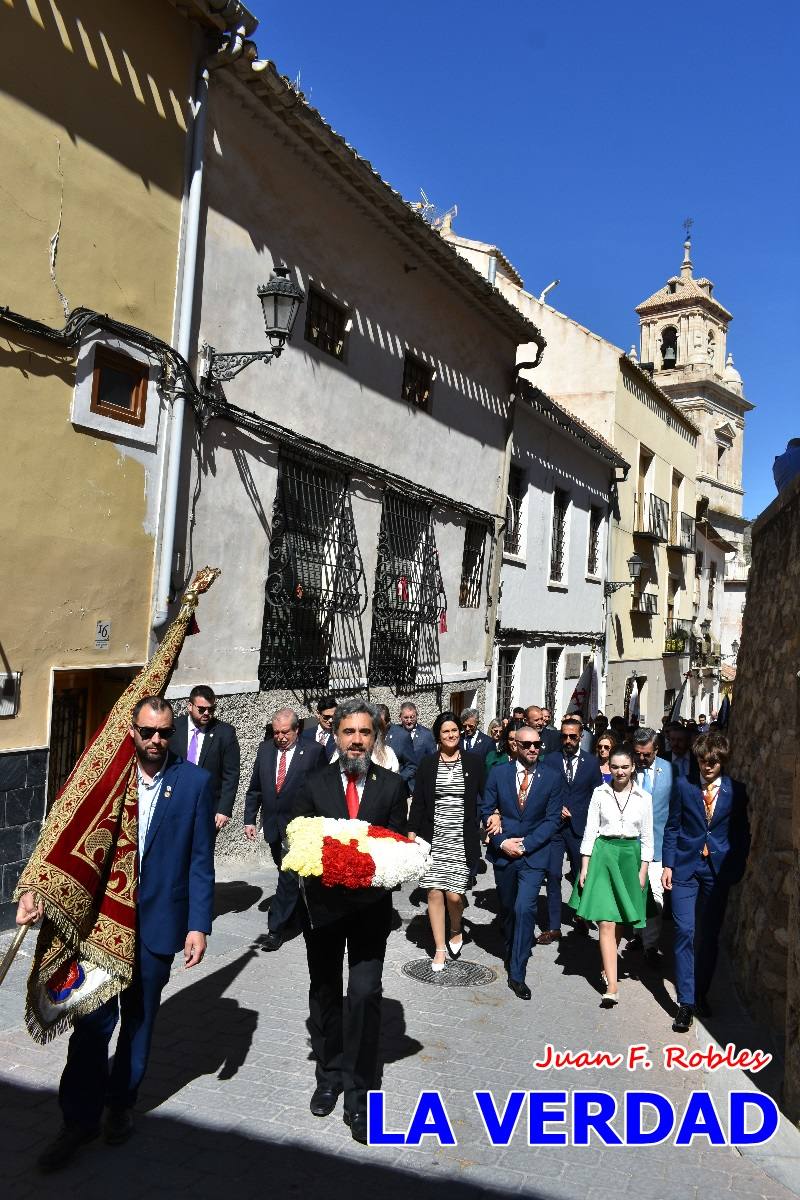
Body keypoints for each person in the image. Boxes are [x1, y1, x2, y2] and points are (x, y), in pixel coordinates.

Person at [18, 696, 215, 1171]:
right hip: (103, 924)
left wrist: (198, 924)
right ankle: (77, 1121)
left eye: (165, 733)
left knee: (139, 1020)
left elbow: (199, 859)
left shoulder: (194, 783)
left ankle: (121, 1106)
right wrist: (37, 888)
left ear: (175, 732)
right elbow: (66, 840)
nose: (155, 741)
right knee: (91, 1023)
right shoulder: (107, 782)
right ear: (133, 731)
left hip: (159, 923)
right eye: (147, 732)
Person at [292, 700, 407, 1144]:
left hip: (369, 913)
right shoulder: (314, 783)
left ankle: (360, 1095)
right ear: (335, 736)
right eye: (348, 732)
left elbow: (399, 848)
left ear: (374, 737)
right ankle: (329, 1075)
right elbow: (295, 840)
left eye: (364, 732)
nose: (356, 740)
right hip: (321, 912)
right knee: (324, 993)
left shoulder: (392, 787)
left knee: (363, 994)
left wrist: (379, 866)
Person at [662, 732, 750, 1033]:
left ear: (722, 761)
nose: (706, 766)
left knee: (708, 935)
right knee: (685, 931)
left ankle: (701, 994)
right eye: (702, 760)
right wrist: (668, 865)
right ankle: (685, 1002)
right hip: (686, 868)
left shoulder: (736, 791)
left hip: (718, 870)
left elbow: (742, 834)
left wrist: (736, 868)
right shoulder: (684, 787)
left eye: (712, 762)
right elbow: (672, 827)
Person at [481, 728, 564, 999]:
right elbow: (486, 808)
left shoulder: (551, 778)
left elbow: (552, 820)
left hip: (533, 855)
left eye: (537, 744)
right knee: (508, 908)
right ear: (515, 745)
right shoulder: (499, 774)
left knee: (524, 907)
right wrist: (502, 841)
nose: (533, 749)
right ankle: (512, 942)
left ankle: (517, 972)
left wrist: (526, 844)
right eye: (527, 744)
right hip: (504, 854)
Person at [570, 745, 653, 1006]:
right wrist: (584, 866)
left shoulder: (644, 797)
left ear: (633, 768)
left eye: (625, 767)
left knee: (619, 922)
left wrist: (643, 870)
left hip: (630, 857)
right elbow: (590, 830)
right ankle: (613, 987)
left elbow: (649, 838)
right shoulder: (600, 793)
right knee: (605, 922)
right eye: (615, 767)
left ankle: (610, 965)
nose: (619, 771)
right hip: (603, 854)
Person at [408, 712, 486, 970]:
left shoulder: (474, 763)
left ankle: (456, 927)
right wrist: (411, 834)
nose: (452, 735)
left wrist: (493, 816)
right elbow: (418, 802)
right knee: (433, 892)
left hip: (461, 838)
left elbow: (486, 797)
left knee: (454, 895)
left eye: (455, 730)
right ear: (438, 736)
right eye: (446, 732)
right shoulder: (428, 764)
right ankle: (439, 949)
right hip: (434, 837)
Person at [243, 708, 327, 950]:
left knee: (288, 877)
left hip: (299, 827)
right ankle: (297, 915)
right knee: (284, 872)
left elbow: (321, 790)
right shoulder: (265, 749)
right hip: (272, 825)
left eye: (285, 732)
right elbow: (255, 788)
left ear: (296, 729)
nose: (280, 737)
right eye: (276, 732)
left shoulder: (313, 752)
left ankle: (275, 928)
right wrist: (250, 819)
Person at [539, 716, 603, 945]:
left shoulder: (591, 763)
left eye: (572, 736)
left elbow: (598, 796)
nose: (568, 740)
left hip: (580, 829)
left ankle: (581, 915)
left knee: (581, 875)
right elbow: (542, 792)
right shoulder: (549, 760)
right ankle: (554, 927)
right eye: (564, 736)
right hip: (555, 829)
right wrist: (556, 808)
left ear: (580, 737)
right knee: (553, 875)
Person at [629, 727, 676, 965]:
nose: (641, 759)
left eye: (646, 754)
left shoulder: (670, 771)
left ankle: (651, 946)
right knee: (635, 893)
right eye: (637, 753)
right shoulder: (626, 770)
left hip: (658, 846)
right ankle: (638, 935)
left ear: (656, 750)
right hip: (630, 846)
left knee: (656, 897)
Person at [172, 685, 241, 832]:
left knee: (201, 852)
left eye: (211, 709)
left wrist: (224, 809)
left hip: (208, 808)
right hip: (176, 804)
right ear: (189, 706)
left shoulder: (225, 733)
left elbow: (231, 774)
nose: (207, 713)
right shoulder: (174, 728)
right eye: (202, 709)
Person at [398, 701, 437, 771]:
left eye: (412, 717)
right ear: (400, 717)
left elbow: (433, 759)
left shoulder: (426, 735)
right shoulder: (395, 733)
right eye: (406, 718)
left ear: (417, 716)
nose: (409, 721)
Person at [301, 695, 339, 762]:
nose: (330, 720)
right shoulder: (305, 734)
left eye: (334, 717)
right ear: (318, 714)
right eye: (326, 717)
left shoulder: (339, 736)